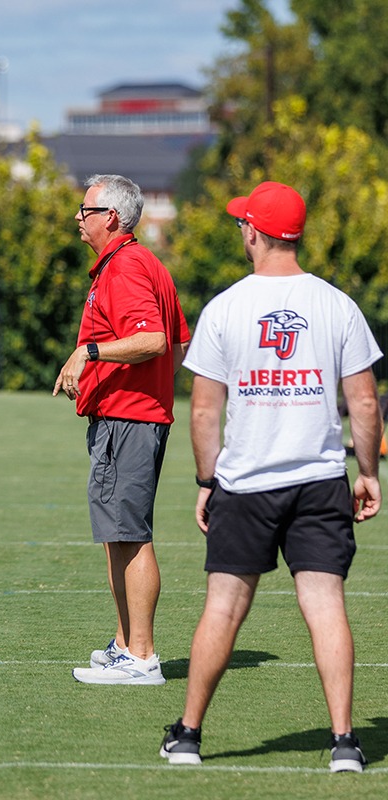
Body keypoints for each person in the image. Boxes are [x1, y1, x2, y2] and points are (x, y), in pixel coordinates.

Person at [159, 182, 381, 772]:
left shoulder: (226, 307)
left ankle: (187, 735)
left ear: (254, 232)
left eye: (242, 224)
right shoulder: (338, 305)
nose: (241, 232)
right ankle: (344, 743)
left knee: (224, 608)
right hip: (319, 481)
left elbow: (204, 411)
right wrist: (368, 472)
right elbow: (363, 404)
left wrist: (206, 482)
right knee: (326, 604)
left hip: (247, 483)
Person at [52, 174, 190, 686]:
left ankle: (142, 656)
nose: (77, 218)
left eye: (84, 210)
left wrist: (89, 354)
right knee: (118, 535)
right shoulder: (141, 263)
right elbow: (176, 347)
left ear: (110, 217)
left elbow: (154, 339)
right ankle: (126, 643)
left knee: (130, 535)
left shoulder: (128, 266)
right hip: (132, 415)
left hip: (130, 420)